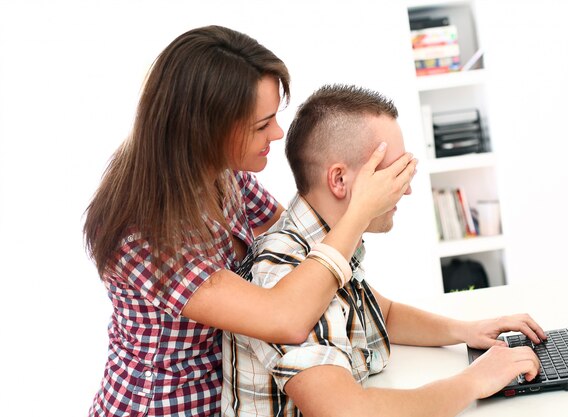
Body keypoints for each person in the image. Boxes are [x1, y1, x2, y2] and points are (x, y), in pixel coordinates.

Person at [83, 26, 416, 417]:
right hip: (162, 407)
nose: (277, 132)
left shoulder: (226, 178)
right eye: (262, 125)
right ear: (203, 130)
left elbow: (303, 246)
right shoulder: (142, 235)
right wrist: (360, 209)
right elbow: (284, 317)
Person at [221, 84, 547, 417]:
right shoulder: (287, 268)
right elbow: (349, 413)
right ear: (339, 180)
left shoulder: (324, 238)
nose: (406, 189)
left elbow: (381, 312)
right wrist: (474, 381)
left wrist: (465, 331)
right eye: (395, 173)